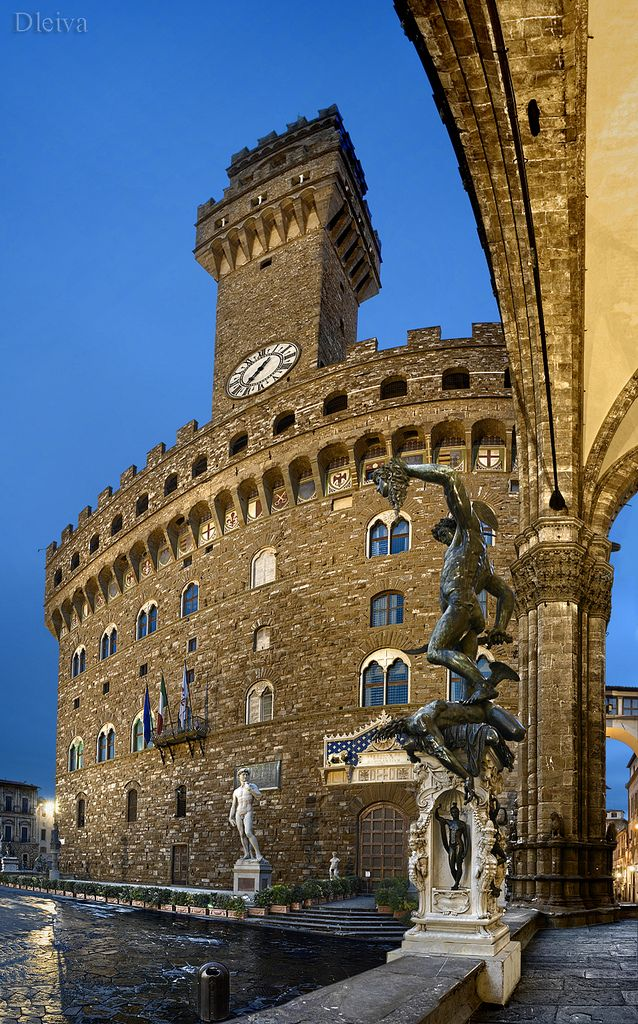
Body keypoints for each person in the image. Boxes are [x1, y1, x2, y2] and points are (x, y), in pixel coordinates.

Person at [374, 458, 518, 704]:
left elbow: (450, 475)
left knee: (435, 652)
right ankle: (471, 704)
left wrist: (406, 469)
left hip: (460, 605)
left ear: (454, 526)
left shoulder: (467, 534)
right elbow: (506, 594)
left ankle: (484, 684)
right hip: (471, 616)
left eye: (444, 535)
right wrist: (499, 627)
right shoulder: (483, 563)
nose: (444, 541)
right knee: (465, 677)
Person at [229, 768, 263, 861]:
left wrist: (250, 789)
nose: (245, 776)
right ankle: (247, 853)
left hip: (248, 810)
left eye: (246, 775)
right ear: (239, 777)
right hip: (238, 812)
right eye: (243, 775)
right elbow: (233, 805)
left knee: (248, 832)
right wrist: (230, 817)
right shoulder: (236, 791)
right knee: (242, 834)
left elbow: (259, 796)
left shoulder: (252, 786)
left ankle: (258, 854)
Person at [435, 803, 468, 890]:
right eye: (452, 812)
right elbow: (438, 818)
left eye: (456, 812)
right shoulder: (449, 822)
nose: (454, 813)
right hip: (451, 846)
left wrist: (466, 851)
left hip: (459, 845)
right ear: (451, 813)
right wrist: (437, 809)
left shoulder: (462, 824)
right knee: (452, 867)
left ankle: (456, 884)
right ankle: (457, 882)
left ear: (458, 812)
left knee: (459, 865)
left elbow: (466, 838)